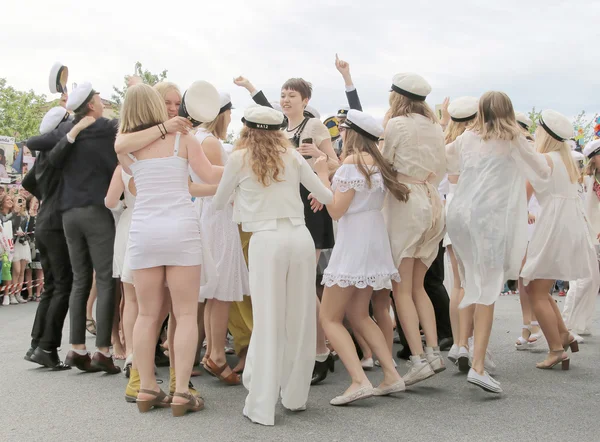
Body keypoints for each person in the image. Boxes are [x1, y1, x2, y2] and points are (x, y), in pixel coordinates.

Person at [213, 105, 333, 426]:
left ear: (246, 129)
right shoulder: (293, 156)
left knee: (268, 320)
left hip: (267, 240)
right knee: (300, 317)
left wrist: (241, 197)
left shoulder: (238, 158)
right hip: (300, 238)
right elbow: (326, 196)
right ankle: (295, 397)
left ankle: (262, 406)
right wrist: (322, 169)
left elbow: (218, 203)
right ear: (279, 130)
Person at [115, 82, 222, 416]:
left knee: (147, 315)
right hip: (181, 229)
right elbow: (210, 175)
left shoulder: (125, 148)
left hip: (144, 232)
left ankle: (146, 387)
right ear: (156, 107)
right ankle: (180, 392)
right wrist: (243, 166)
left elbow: (126, 152)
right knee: (186, 313)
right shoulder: (183, 139)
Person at [446, 91, 551, 393]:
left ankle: (464, 346)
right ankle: (477, 365)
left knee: (471, 283)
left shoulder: (467, 138)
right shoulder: (514, 139)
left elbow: (447, 163)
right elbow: (542, 172)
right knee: (488, 290)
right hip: (488, 222)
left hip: (460, 217)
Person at [318, 110, 406, 405]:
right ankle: (391, 374)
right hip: (373, 239)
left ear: (349, 133)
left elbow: (335, 210)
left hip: (354, 240)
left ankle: (358, 380)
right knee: (359, 313)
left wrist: (321, 176)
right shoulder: (378, 164)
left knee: (329, 317)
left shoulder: (350, 165)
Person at [46, 82, 120, 374]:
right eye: (99, 98)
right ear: (90, 105)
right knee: (105, 279)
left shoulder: (68, 131)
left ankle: (77, 347)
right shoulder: (106, 128)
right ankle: (103, 350)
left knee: (80, 281)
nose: (103, 102)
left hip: (68, 213)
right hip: (96, 210)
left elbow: (49, 154)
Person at [381, 72, 446, 386]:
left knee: (401, 289)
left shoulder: (397, 124)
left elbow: (386, 163)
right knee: (419, 286)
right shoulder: (435, 126)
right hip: (432, 202)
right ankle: (433, 351)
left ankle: (418, 360)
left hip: (407, 204)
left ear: (397, 96)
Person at [521, 109, 590, 369]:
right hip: (567, 227)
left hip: (551, 228)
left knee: (534, 289)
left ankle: (556, 349)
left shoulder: (543, 161)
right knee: (539, 286)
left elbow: (523, 198)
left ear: (543, 134)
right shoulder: (566, 162)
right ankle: (563, 335)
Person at [194, 92, 249, 386]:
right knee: (221, 289)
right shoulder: (211, 141)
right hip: (218, 217)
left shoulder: (199, 137)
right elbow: (219, 185)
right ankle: (215, 353)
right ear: (222, 113)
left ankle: (212, 352)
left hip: (209, 214)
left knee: (214, 290)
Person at [23, 105, 73, 369]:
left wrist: (46, 197)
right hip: (56, 225)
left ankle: (37, 344)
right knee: (63, 285)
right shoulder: (59, 150)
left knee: (51, 287)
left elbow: (27, 183)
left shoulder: (43, 154)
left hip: (44, 222)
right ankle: (47, 347)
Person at [440, 96, 479, 365]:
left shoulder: (448, 145)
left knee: (457, 283)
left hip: (453, 209)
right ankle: (467, 342)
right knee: (474, 282)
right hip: (475, 210)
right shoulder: (479, 145)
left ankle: (458, 343)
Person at [562, 138, 600, 338]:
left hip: (593, 235)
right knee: (582, 279)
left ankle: (581, 324)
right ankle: (567, 325)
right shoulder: (582, 180)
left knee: (593, 281)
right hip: (582, 233)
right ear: (593, 159)